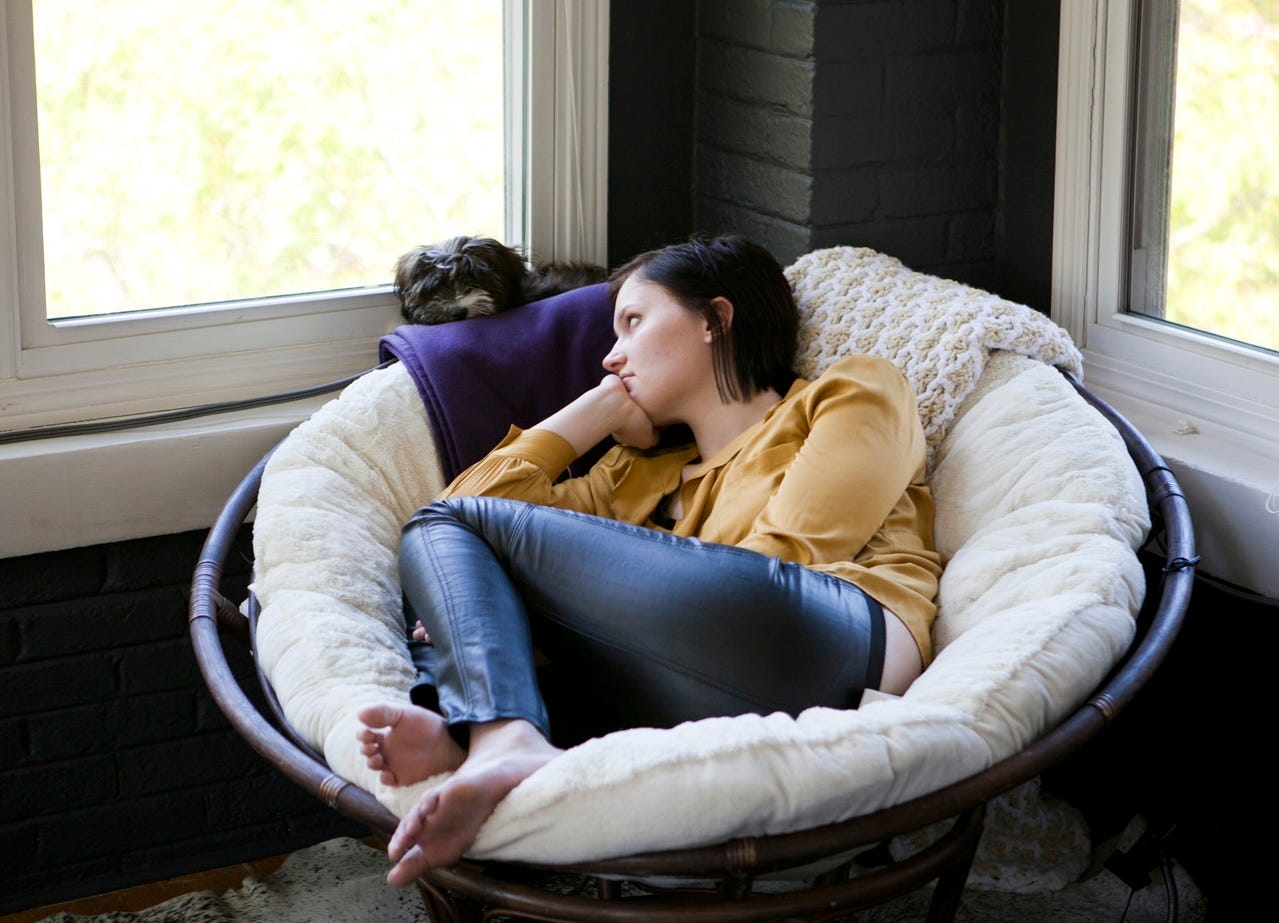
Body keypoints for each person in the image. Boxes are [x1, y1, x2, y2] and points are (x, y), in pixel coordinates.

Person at [356, 234, 942, 887]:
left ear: (715, 319)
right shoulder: (638, 473)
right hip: (700, 686)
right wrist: (596, 411)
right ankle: (485, 727)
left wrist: (516, 599)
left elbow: (792, 557)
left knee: (457, 544)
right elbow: (463, 512)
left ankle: (492, 735)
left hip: (830, 647)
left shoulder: (850, 390)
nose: (612, 355)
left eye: (633, 321)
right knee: (440, 538)